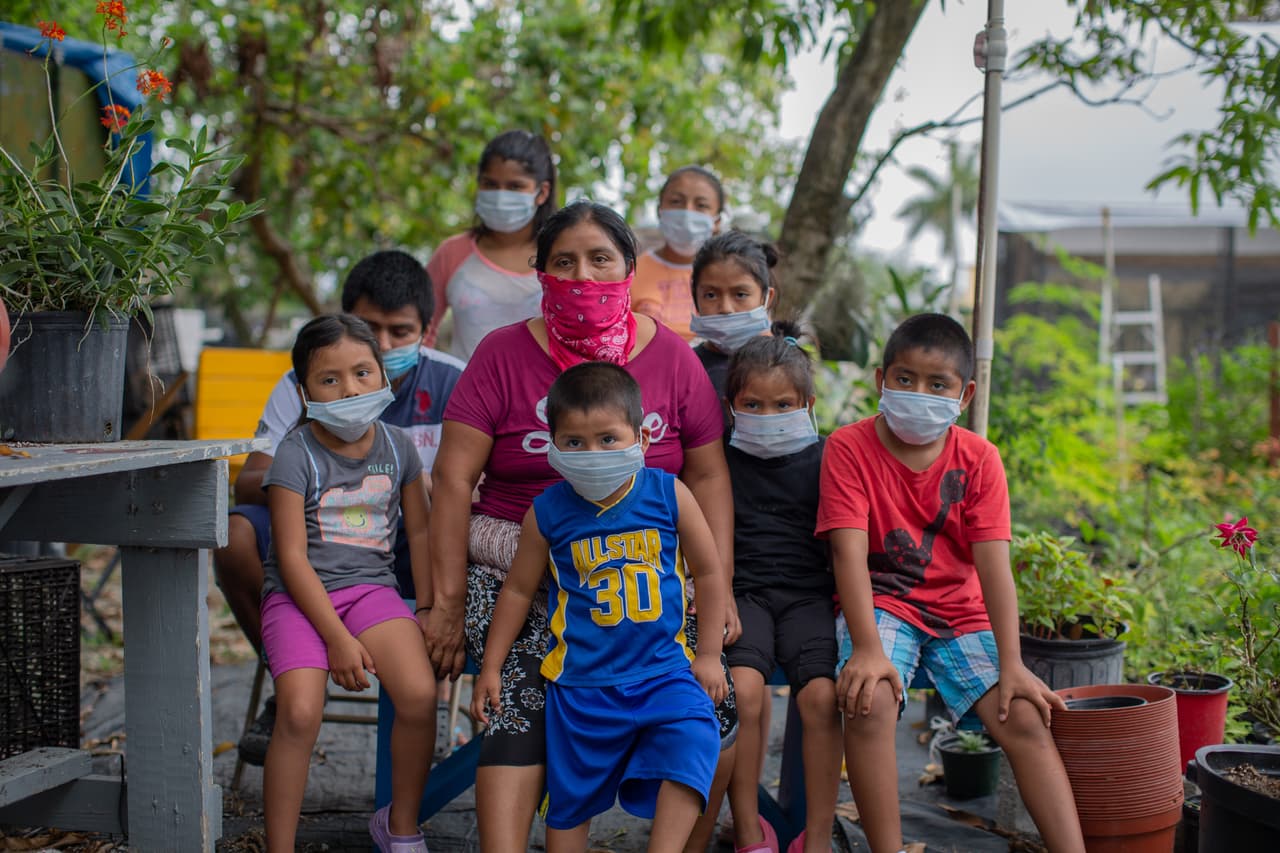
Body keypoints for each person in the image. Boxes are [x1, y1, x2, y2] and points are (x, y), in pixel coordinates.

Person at [422, 200, 737, 852]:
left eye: (600, 259)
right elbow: (452, 480)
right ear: (539, 271)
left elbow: (708, 475)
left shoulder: (673, 358)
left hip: (642, 573)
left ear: (630, 266)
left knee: (713, 701)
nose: (583, 275)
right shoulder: (501, 355)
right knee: (521, 694)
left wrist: (719, 587)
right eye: (563, 261)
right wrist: (446, 603)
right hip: (517, 567)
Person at [816, 313, 1085, 853]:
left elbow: (994, 568)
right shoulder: (848, 447)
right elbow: (847, 553)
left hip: (960, 612)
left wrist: (1013, 665)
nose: (919, 393)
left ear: (965, 395)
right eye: (905, 379)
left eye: (937, 384)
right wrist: (867, 648)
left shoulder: (980, 459)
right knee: (869, 700)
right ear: (881, 380)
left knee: (1025, 716)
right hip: (883, 606)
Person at [215, 249, 464, 767]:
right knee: (236, 537)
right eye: (372, 328)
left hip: (415, 546)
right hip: (320, 543)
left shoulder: (456, 382)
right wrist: (322, 474)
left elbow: (478, 487)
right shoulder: (307, 382)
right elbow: (249, 482)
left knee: (463, 533)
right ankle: (292, 674)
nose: (386, 344)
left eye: (400, 331)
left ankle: (436, 688)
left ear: (426, 330)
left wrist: (425, 488)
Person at [470, 362, 729, 853]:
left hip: (663, 674)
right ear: (551, 446)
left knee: (695, 737)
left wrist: (710, 655)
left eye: (608, 439)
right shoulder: (547, 512)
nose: (592, 454)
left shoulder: (669, 495)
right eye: (574, 442)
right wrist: (491, 667)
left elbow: (710, 573)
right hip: (581, 688)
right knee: (571, 806)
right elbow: (519, 591)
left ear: (641, 438)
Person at [259, 314, 436, 853]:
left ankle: (399, 826)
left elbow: (421, 531)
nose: (351, 390)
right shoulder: (295, 454)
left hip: (371, 591)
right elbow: (291, 558)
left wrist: (428, 606)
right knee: (298, 712)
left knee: (419, 695)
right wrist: (337, 638)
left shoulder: (399, 447)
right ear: (303, 391)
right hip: (297, 598)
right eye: (330, 379)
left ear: (383, 375)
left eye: (362, 373)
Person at [721, 327, 842, 853]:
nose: (767, 416)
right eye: (753, 405)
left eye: (782, 405)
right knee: (743, 691)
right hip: (744, 596)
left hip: (809, 598)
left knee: (822, 698)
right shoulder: (719, 461)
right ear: (731, 406)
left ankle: (817, 836)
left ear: (807, 405)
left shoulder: (829, 458)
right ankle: (749, 826)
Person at [683, 229, 780, 853]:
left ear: (768, 296)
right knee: (735, 691)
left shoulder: (786, 363)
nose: (724, 308)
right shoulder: (688, 367)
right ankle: (721, 825)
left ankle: (744, 821)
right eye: (710, 295)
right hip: (707, 556)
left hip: (772, 557)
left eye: (739, 294)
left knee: (753, 691)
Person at [423, 129, 557, 359]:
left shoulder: (561, 256)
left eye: (515, 186)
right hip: (464, 382)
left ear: (542, 192)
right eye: (490, 184)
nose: (501, 196)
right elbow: (421, 332)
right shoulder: (452, 253)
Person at [631, 165, 725, 341]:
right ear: (660, 211)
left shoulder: (730, 274)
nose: (687, 212)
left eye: (701, 205)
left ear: (717, 221)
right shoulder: (631, 273)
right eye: (676, 201)